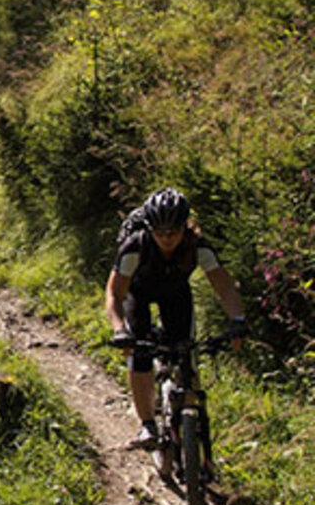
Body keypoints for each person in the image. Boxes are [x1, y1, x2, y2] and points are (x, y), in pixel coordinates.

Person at [105, 187, 246, 451]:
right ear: (149, 229)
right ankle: (147, 424)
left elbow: (224, 286)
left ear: (186, 227)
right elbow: (114, 292)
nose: (167, 238)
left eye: (174, 232)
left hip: (176, 293)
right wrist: (119, 329)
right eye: (160, 233)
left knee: (185, 353)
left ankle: (195, 433)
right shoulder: (135, 246)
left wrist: (237, 320)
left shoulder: (197, 246)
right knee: (140, 356)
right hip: (139, 293)